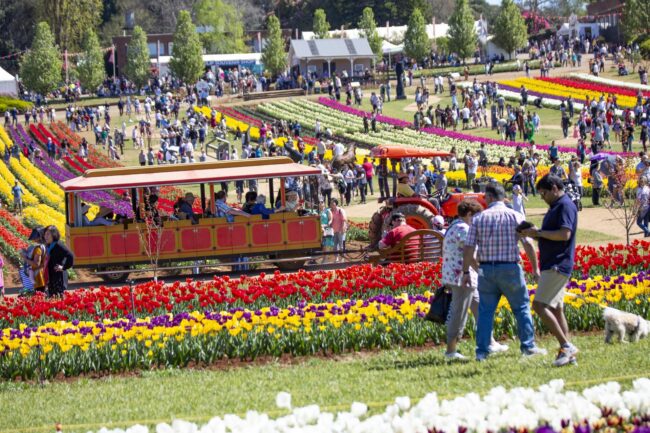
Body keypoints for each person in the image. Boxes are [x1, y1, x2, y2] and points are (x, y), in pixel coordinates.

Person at [463, 183, 545, 361]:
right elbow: (528, 244)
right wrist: (535, 268)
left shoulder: (478, 219)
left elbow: (468, 249)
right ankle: (528, 346)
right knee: (521, 307)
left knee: (485, 311)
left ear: (491, 197)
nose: (484, 201)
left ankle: (482, 351)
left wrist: (466, 271)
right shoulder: (515, 215)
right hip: (510, 268)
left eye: (485, 197)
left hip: (486, 269)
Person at [521, 174, 578, 367]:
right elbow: (551, 235)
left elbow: (564, 234)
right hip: (553, 262)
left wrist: (538, 233)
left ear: (554, 188)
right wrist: (535, 234)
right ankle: (568, 352)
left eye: (544, 193)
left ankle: (566, 345)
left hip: (557, 263)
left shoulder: (564, 206)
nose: (543, 197)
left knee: (539, 306)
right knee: (556, 308)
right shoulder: (556, 206)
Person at [442, 200, 508, 360]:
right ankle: (450, 351)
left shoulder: (454, 226)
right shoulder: (464, 229)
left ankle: (490, 342)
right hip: (463, 278)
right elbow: (469, 255)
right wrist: (482, 271)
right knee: (459, 313)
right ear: (469, 214)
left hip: (458, 275)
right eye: (476, 216)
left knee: (480, 308)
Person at [44, 225, 74, 297]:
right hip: (51, 277)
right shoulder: (49, 246)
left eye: (48, 234)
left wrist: (63, 267)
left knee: (58, 298)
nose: (46, 236)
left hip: (59, 278)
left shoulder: (58, 245)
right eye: (45, 234)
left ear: (54, 235)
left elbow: (70, 255)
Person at [21, 228, 47, 295]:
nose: (33, 240)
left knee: (38, 297)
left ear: (39, 238)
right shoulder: (44, 246)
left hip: (38, 278)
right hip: (43, 275)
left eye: (34, 238)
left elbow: (36, 264)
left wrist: (25, 258)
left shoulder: (37, 249)